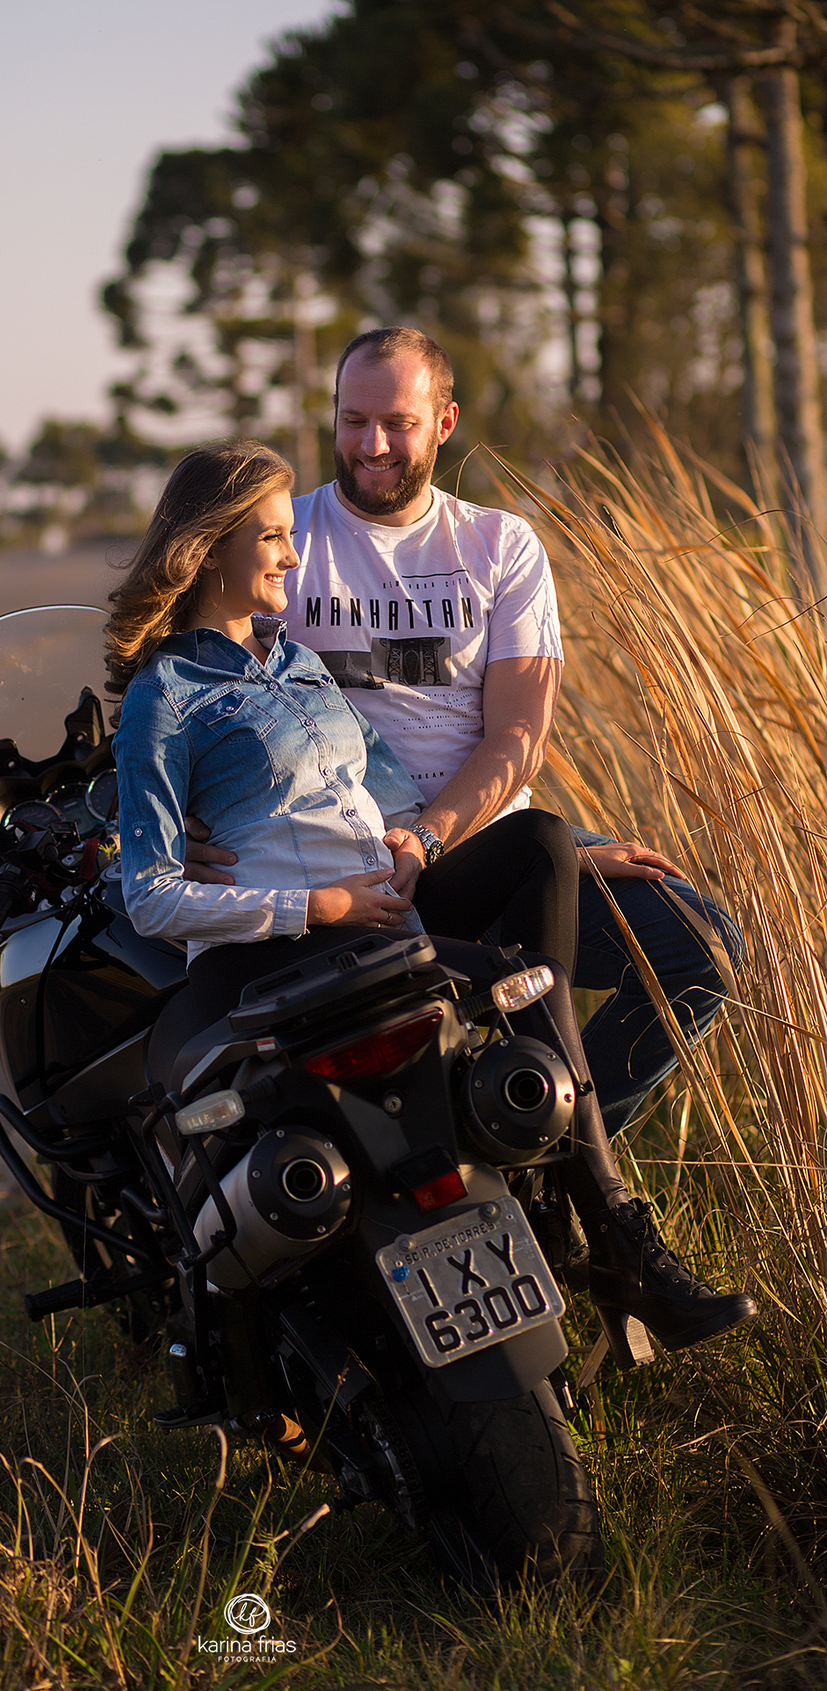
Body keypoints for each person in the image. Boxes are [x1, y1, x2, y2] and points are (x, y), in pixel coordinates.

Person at [107, 439, 755, 1363]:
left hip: (391, 921)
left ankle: (604, 1222)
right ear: (210, 550)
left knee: (538, 842)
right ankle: (593, 1225)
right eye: (275, 539)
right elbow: (152, 897)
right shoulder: (164, 696)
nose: (294, 555)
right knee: (520, 953)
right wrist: (317, 908)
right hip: (291, 950)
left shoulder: (299, 668)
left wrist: (576, 853)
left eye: (294, 535)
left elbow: (402, 807)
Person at [184, 327, 744, 1144]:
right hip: (331, 857)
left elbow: (518, 737)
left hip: (479, 842)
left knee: (705, 951)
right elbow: (194, 702)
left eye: (397, 424)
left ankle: (538, 1146)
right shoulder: (280, 547)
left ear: (443, 423)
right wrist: (188, 827)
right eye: (351, 420)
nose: (371, 444)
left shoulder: (500, 546)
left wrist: (488, 844)